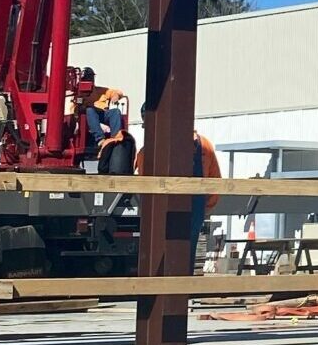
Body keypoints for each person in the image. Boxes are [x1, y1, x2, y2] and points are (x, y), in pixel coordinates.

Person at [135, 124, 221, 256]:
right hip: (190, 207)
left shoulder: (204, 146)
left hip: (173, 208)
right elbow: (215, 180)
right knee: (183, 255)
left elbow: (143, 183)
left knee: (165, 254)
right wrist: (205, 208)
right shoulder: (205, 145)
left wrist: (204, 208)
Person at [79, 69, 126, 154]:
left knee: (115, 111)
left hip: (101, 114)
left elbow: (114, 92)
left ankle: (115, 139)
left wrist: (116, 95)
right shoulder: (77, 93)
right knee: (89, 110)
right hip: (86, 118)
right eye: (87, 78)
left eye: (91, 77)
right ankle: (100, 139)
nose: (89, 80)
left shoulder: (100, 91)